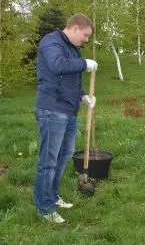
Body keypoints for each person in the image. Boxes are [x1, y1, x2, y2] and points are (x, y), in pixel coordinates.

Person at [34, 14, 98, 224]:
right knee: (48, 161)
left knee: (64, 156)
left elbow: (70, 79)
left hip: (69, 111)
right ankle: (44, 207)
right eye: (86, 35)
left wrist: (83, 96)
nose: (86, 40)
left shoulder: (73, 48)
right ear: (76, 28)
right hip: (52, 110)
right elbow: (57, 65)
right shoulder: (51, 42)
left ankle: (52, 196)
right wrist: (83, 63)